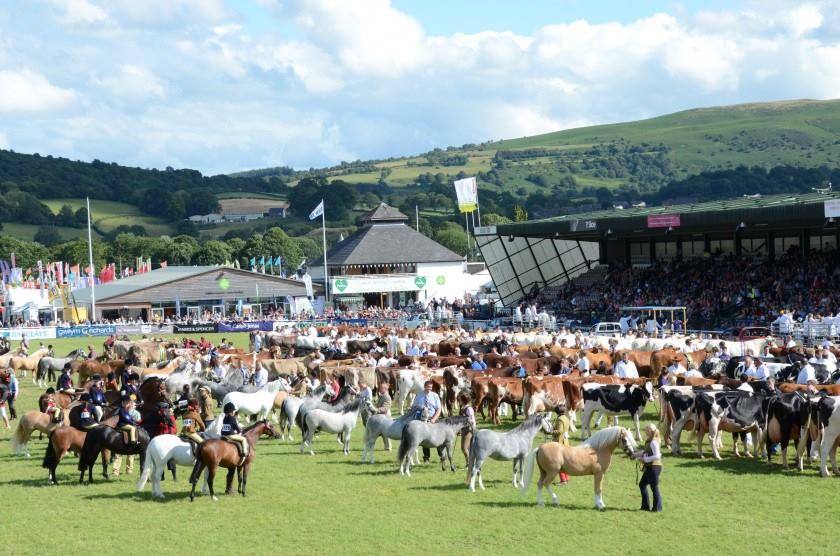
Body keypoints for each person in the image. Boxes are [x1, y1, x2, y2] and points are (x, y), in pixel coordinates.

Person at [409, 380, 442, 463]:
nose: (428, 389)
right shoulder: (419, 396)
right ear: (424, 386)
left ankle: (442, 456)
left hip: (433, 418)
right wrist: (410, 409)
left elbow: (439, 409)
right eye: (427, 387)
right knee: (425, 439)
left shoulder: (435, 396)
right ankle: (426, 458)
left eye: (430, 387)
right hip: (423, 420)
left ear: (432, 387)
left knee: (438, 437)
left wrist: (434, 419)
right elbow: (414, 407)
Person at [635, 423, 663, 512]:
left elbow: (657, 456)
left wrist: (644, 459)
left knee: (654, 487)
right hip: (650, 467)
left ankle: (657, 508)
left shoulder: (654, 442)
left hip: (654, 467)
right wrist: (634, 454)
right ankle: (645, 506)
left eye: (646, 430)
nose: (645, 431)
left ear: (650, 431)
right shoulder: (649, 441)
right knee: (642, 485)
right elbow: (645, 451)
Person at [551, 405, 571, 484]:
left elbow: (559, 431)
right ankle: (566, 478)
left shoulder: (559, 419)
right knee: (565, 463)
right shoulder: (566, 418)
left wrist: (550, 432)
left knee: (559, 463)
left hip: (559, 442)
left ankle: (563, 480)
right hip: (566, 441)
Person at [459, 391, 476, 464]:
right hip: (463, 429)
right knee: (466, 448)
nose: (459, 401)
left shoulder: (469, 409)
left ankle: (469, 463)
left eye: (460, 399)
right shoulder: (463, 408)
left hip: (468, 430)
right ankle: (469, 462)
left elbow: (471, 420)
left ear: (463, 400)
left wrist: (471, 428)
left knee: (464, 448)